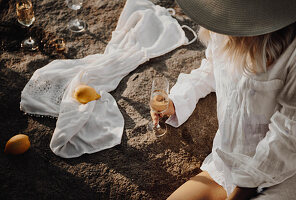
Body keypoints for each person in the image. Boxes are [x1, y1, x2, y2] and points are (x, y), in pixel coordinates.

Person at [150, 0, 296, 199]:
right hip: (223, 168)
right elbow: (211, 69)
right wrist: (177, 101)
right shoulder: (223, 29)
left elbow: (288, 137)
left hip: (277, 181)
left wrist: (242, 190)